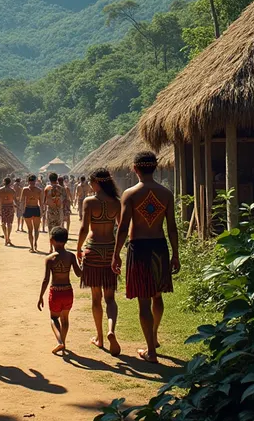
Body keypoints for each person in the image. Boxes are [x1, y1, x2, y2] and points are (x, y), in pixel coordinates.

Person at [112, 151, 180, 364]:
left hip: (139, 248)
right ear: (156, 167)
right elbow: (172, 227)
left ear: (135, 168)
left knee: (144, 301)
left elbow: (123, 228)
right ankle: (154, 336)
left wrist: (116, 254)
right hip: (160, 247)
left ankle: (151, 351)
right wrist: (176, 254)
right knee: (157, 296)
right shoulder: (166, 194)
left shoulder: (130, 194)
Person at [77, 168, 121, 354]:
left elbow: (84, 228)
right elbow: (121, 227)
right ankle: (111, 331)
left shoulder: (89, 202)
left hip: (93, 250)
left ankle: (100, 337)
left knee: (96, 298)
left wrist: (78, 248)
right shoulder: (116, 203)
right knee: (110, 298)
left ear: (97, 183)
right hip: (110, 249)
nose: (89, 185)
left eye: (91, 182)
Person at [38, 226, 81, 354]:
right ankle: (63, 342)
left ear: (51, 240)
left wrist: (40, 296)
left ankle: (59, 342)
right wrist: (84, 264)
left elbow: (46, 279)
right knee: (65, 319)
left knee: (53, 318)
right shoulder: (71, 256)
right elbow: (79, 274)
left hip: (55, 292)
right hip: (67, 291)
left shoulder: (49, 259)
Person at [22, 174, 43, 252]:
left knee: (34, 229)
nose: (32, 184)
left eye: (33, 182)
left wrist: (42, 211)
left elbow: (41, 202)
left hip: (32, 209)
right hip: (31, 209)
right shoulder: (37, 190)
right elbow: (22, 201)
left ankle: (34, 245)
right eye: (32, 182)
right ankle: (33, 245)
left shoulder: (37, 190)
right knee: (32, 229)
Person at [0, 176, 17, 246]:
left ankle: (6, 238)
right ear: (10, 183)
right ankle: (8, 237)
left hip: (3, 207)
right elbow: (15, 200)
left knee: (3, 223)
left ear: (4, 182)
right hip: (10, 207)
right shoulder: (12, 191)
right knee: (9, 224)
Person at [45, 173, 63, 251]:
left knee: (50, 229)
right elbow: (62, 201)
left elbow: (45, 201)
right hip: (58, 210)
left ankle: (51, 247)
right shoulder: (61, 188)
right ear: (57, 179)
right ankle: (58, 247)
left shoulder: (47, 188)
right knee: (58, 229)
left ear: (49, 179)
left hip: (50, 211)